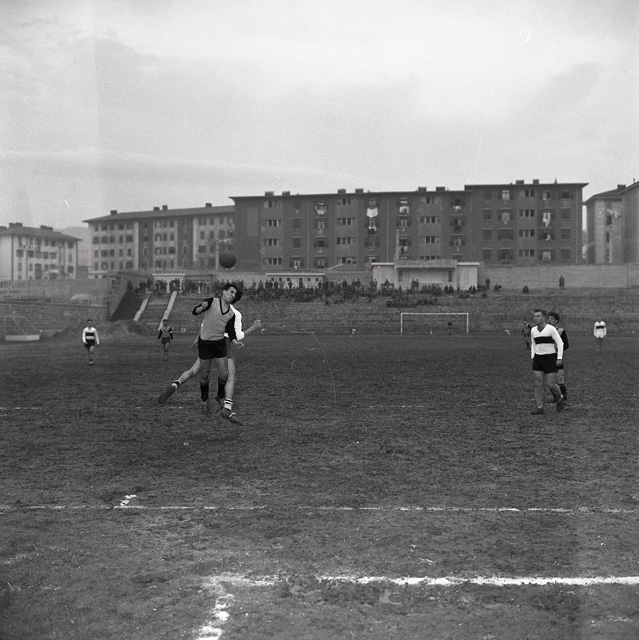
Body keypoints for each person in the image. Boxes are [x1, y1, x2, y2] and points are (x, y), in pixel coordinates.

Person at [157, 309, 263, 417]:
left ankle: (176, 384)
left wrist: (197, 338)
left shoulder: (213, 309)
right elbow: (237, 336)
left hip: (208, 341)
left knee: (193, 370)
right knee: (230, 376)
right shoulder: (235, 314)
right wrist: (254, 327)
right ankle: (226, 404)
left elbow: (203, 326)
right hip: (223, 343)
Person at [529, 308, 565, 415]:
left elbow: (560, 343)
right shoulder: (533, 330)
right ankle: (539, 407)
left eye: (538, 316)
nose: (535, 318)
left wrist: (559, 357)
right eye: (534, 316)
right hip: (538, 358)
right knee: (538, 383)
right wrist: (533, 356)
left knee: (551, 384)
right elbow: (533, 344)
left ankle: (560, 397)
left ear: (543, 317)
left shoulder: (551, 329)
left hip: (550, 358)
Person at [547, 311, 569, 402]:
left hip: (557, 357)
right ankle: (555, 397)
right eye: (549, 318)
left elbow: (566, 345)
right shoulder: (545, 331)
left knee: (560, 378)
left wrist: (558, 350)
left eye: (552, 319)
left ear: (556, 321)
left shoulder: (561, 331)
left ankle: (564, 397)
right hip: (547, 358)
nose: (549, 320)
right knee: (550, 378)